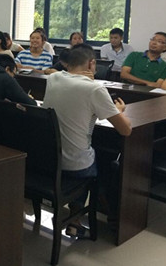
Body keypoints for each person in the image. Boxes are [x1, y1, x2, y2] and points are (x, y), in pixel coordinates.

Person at [43, 44, 132, 235]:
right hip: (75, 165)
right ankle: (84, 216)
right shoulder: (94, 89)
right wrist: (119, 111)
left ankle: (77, 216)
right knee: (105, 160)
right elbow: (125, 130)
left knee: (94, 150)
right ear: (92, 64)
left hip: (48, 159)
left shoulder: (53, 78)